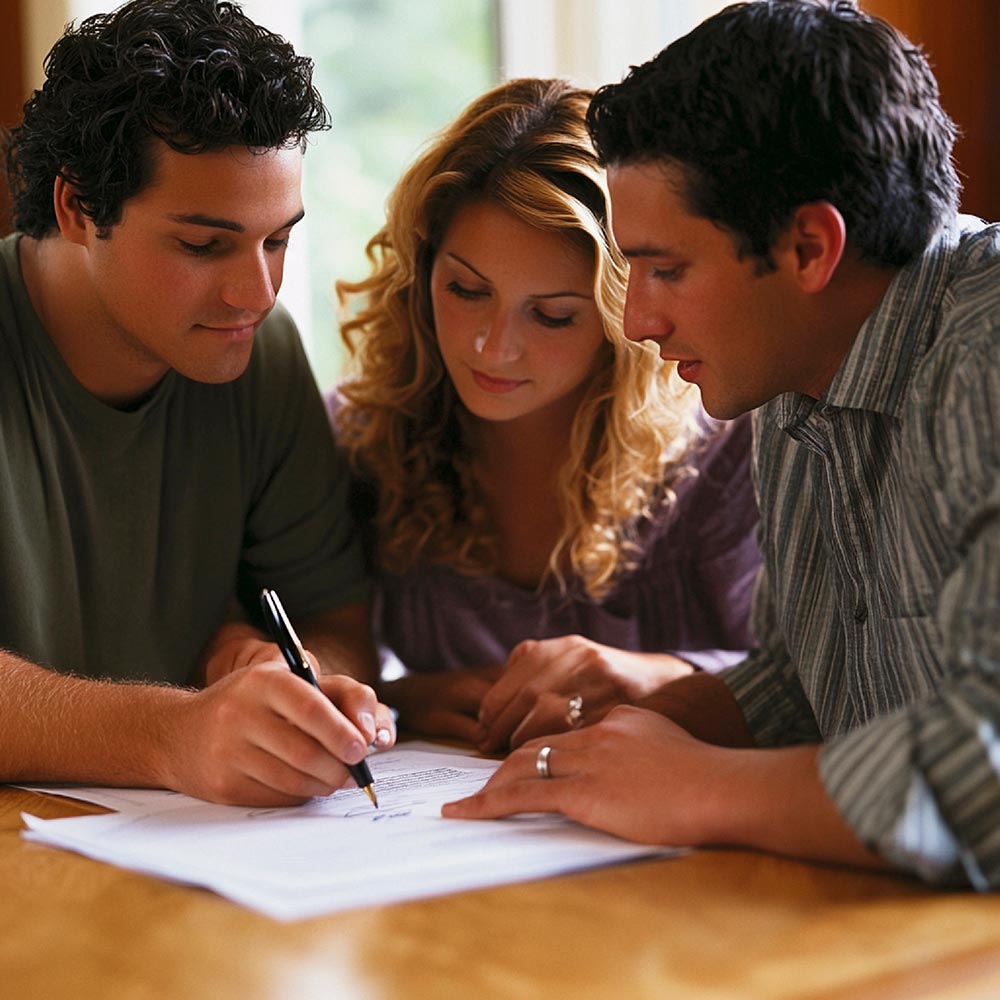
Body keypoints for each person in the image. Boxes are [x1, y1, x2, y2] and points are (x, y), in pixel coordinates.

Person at [444, 0, 1000, 890]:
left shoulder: (988, 352)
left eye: (666, 269)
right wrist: (630, 723)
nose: (638, 320)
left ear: (809, 247)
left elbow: (987, 768)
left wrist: (698, 786)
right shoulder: (790, 371)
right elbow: (803, 686)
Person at [0, 0, 395, 807]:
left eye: (278, 239)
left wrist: (301, 681)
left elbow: (332, 620)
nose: (257, 291)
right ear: (78, 207)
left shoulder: (261, 350)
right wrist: (175, 735)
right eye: (204, 244)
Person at [331, 77, 760, 753]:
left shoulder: (727, 448)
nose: (493, 347)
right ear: (421, 269)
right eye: (467, 290)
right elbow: (309, 649)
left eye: (553, 315)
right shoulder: (362, 436)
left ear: (625, 316)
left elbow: (833, 688)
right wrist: (397, 698)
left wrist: (659, 679)